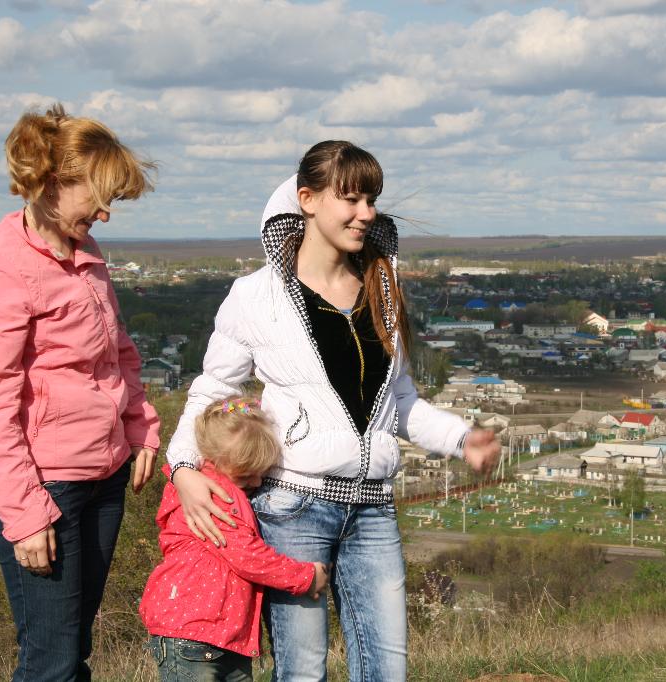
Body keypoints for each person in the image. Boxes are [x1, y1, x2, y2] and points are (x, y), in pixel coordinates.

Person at [165, 140, 501, 680]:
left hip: (373, 510)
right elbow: (210, 392)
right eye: (351, 198)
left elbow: (402, 403)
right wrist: (181, 468)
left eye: (372, 199)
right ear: (308, 199)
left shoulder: (381, 291)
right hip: (294, 507)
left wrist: (462, 439)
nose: (366, 213)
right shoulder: (256, 297)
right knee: (302, 671)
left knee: (387, 669)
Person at [0, 103, 198, 682]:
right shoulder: (0, 269)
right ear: (52, 181)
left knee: (73, 651)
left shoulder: (86, 253)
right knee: (52, 663)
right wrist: (25, 516)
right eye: (99, 195)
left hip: (105, 477)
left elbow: (119, 353)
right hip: (47, 490)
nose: (107, 212)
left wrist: (141, 428)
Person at [140, 395, 331, 682]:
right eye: (246, 477)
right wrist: (305, 577)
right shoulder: (214, 497)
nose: (255, 484)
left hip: (218, 635)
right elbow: (247, 556)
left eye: (261, 475)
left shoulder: (222, 487)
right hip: (193, 635)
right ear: (214, 461)